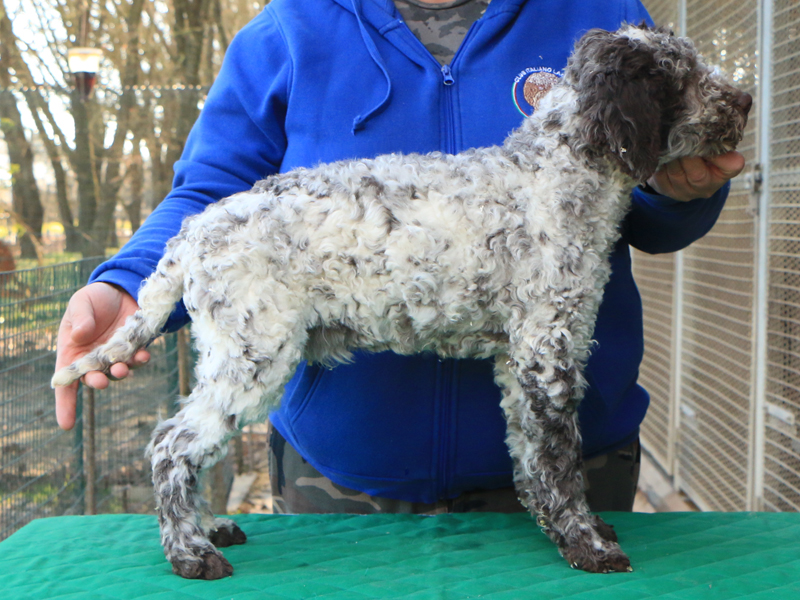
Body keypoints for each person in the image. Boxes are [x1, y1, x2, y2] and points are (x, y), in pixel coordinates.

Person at [55, 0, 745, 515]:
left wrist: (677, 188)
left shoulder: (600, 14)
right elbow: (212, 195)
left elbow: (648, 199)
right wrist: (129, 281)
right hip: (339, 484)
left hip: (582, 468)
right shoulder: (287, 29)